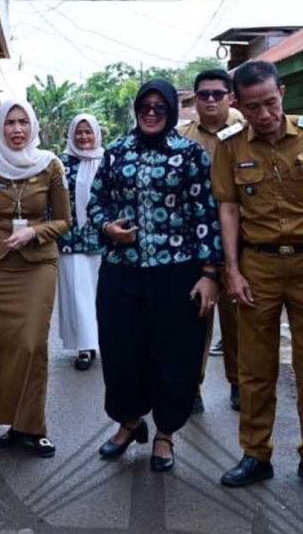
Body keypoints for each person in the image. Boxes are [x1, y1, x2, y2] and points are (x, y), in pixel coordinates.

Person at [88, 80, 221, 473]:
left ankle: (165, 432)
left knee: (174, 355)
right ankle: (129, 422)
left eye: (159, 107)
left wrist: (210, 272)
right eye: (144, 106)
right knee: (120, 350)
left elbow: (206, 213)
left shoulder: (190, 154)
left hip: (176, 272)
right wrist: (108, 228)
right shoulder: (116, 153)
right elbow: (96, 203)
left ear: (171, 113)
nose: (150, 112)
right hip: (122, 272)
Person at [0, 99, 71, 457]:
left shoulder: (50, 164)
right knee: (5, 349)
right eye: (10, 122)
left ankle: (34, 427)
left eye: (23, 122)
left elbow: (65, 220)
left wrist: (33, 232)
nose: (17, 129)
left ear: (33, 126)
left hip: (37, 265)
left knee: (32, 345)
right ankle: (13, 424)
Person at [212, 61, 303, 488]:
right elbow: (228, 210)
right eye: (252, 108)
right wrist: (232, 269)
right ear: (239, 106)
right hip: (258, 265)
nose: (263, 115)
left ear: (281, 92)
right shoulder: (230, 147)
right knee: (255, 367)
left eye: (269, 103)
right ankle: (255, 453)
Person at [178, 69, 244, 414]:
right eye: (204, 94)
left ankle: (237, 383)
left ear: (230, 96)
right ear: (195, 99)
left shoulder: (247, 133)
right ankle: (193, 387)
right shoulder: (183, 137)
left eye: (218, 94)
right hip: (196, 244)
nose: (211, 100)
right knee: (195, 319)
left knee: (237, 320)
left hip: (241, 243)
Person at [57, 114, 105, 371]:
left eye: (88, 132)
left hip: (103, 239)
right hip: (70, 239)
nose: (84, 137)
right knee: (77, 294)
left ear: (96, 134)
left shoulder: (109, 161)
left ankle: (104, 341)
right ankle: (84, 347)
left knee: (102, 294)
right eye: (79, 132)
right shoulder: (61, 164)